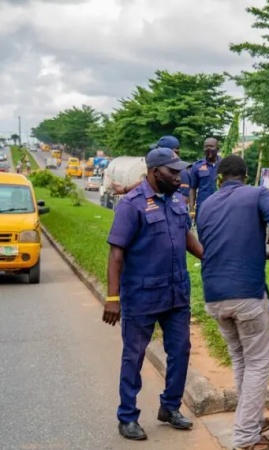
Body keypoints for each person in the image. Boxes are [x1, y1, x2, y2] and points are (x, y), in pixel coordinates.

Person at [196, 155, 269, 450]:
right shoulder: (257, 193)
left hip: (213, 296)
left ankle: (252, 420)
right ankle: (247, 437)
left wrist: (267, 253)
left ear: (220, 178)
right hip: (246, 296)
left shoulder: (207, 204)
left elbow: (225, 245)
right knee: (258, 363)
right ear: (246, 175)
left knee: (241, 360)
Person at [103, 147, 204, 441]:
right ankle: (127, 417)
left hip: (176, 294)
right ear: (154, 172)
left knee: (181, 350)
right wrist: (112, 298)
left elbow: (187, 236)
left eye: (179, 171)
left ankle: (170, 407)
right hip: (142, 296)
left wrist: (208, 256)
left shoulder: (178, 201)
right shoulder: (131, 204)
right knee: (133, 356)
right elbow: (116, 253)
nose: (179, 177)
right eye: (173, 172)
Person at [111, 135, 190, 199]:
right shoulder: (159, 171)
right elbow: (145, 184)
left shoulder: (181, 173)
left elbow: (184, 199)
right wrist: (124, 190)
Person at [188, 137, 221, 217]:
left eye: (211, 146)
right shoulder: (197, 166)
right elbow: (192, 188)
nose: (208, 148)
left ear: (217, 148)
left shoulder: (225, 165)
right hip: (203, 207)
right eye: (206, 146)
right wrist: (192, 209)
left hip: (221, 206)